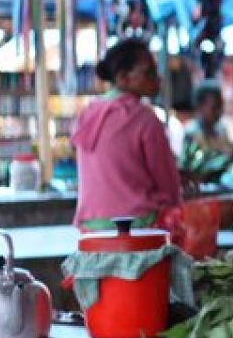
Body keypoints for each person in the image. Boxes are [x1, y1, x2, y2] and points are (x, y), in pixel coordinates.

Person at [71, 39, 182, 229]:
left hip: (90, 223)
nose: (158, 78)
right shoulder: (145, 117)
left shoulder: (88, 113)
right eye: (149, 72)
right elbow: (168, 183)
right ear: (124, 78)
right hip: (138, 222)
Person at [183, 83, 233, 157]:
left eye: (220, 107)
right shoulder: (192, 132)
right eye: (214, 108)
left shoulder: (221, 129)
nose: (218, 112)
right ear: (200, 107)